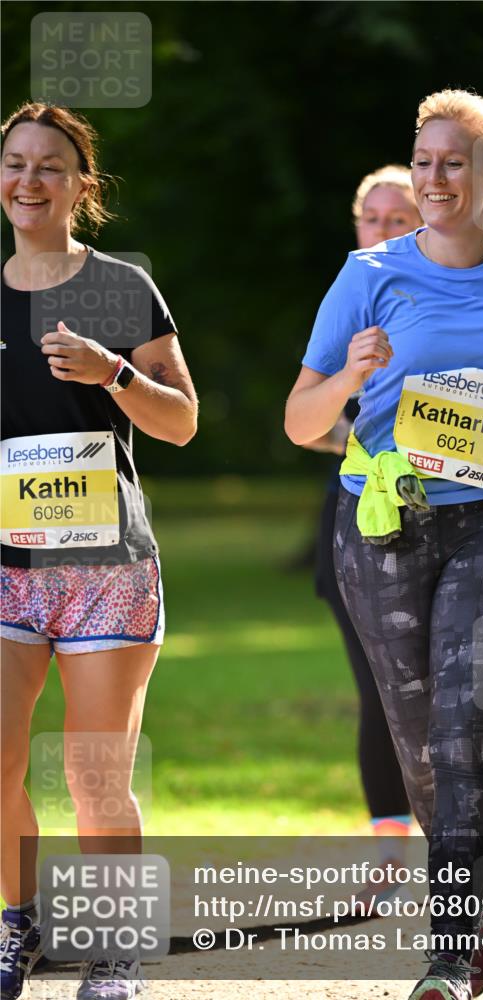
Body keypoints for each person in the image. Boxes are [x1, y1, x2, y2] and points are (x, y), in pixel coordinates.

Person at [286, 88, 483, 1000]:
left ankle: (452, 948)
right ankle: (475, 885)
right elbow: (297, 416)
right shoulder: (367, 278)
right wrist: (351, 373)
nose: (433, 178)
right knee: (421, 744)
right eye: (423, 160)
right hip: (386, 521)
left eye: (453, 163)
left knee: (466, 733)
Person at [0, 103, 197, 1000]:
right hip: (7, 566)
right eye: (14, 164)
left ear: (83, 185)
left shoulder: (120, 287)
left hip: (104, 570)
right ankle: (21, 920)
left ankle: (114, 947)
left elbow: (183, 421)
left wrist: (113, 373)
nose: (28, 181)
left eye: (49, 166)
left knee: (93, 774)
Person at [307, 166, 483, 900]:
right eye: (368, 217)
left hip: (472, 518)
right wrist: (364, 417)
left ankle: (475, 821)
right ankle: (391, 847)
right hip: (368, 521)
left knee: (454, 690)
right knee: (386, 692)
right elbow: (307, 419)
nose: (381, 229)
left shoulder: (471, 300)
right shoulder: (357, 294)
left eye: (396, 216)